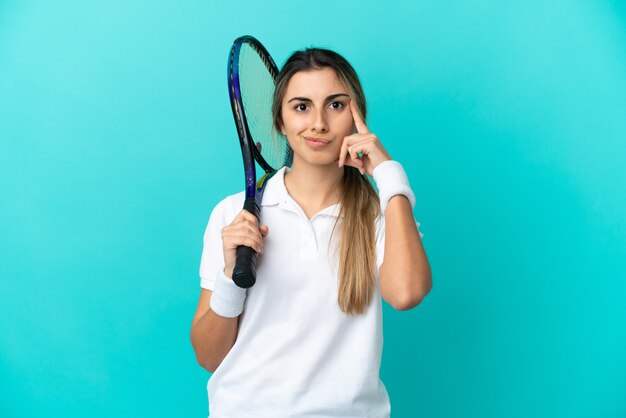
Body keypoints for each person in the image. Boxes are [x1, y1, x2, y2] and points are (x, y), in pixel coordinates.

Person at [190, 47, 432, 418]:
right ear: (280, 121)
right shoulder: (233, 214)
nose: (318, 123)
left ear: (356, 117)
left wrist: (388, 173)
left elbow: (406, 294)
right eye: (301, 107)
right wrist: (229, 278)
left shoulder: (380, 215)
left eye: (335, 105)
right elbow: (208, 357)